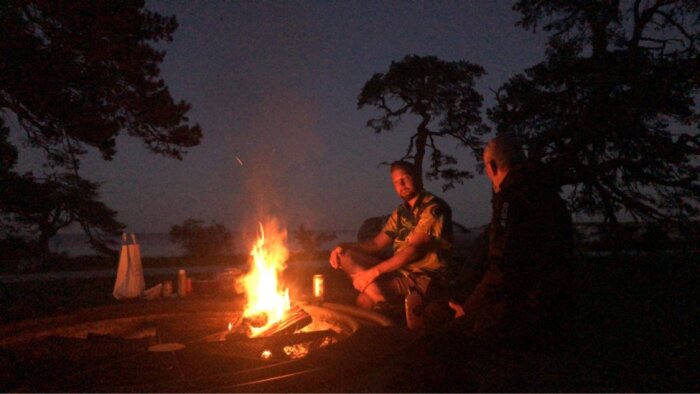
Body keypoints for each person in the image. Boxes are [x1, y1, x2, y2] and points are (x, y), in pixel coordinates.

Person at [449, 133, 574, 345]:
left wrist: (469, 309)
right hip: (560, 298)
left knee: (455, 339)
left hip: (531, 307)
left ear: (493, 165)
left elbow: (502, 266)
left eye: (486, 169)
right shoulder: (546, 192)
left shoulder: (510, 200)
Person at [328, 161, 453, 316]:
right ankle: (383, 303)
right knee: (343, 255)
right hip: (401, 272)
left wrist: (373, 273)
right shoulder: (400, 212)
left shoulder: (433, 208)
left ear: (416, 178)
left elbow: (413, 250)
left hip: (424, 277)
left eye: (405, 179)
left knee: (364, 300)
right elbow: (375, 244)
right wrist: (343, 245)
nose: (401, 185)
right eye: (396, 182)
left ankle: (384, 307)